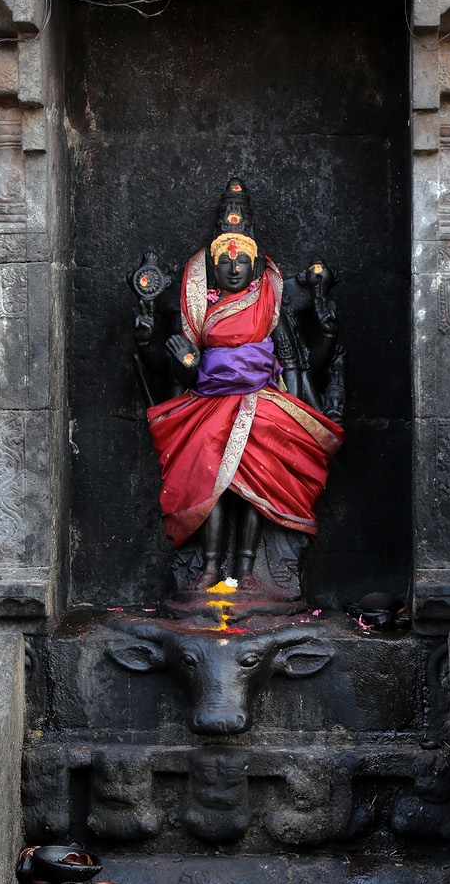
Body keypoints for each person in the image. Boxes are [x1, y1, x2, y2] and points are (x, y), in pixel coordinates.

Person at [141, 180, 343, 594]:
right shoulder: (200, 308)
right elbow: (182, 370)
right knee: (207, 476)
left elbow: (296, 363)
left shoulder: (269, 304)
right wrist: (183, 362)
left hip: (261, 400)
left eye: (242, 262)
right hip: (208, 400)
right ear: (213, 268)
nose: (234, 269)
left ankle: (247, 568)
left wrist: (325, 335)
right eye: (226, 262)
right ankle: (211, 565)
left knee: (259, 479)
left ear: (254, 266)